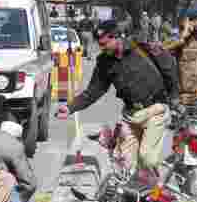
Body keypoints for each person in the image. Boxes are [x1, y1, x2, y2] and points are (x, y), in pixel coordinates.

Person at [58, 19, 179, 174]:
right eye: (99, 44)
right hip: (130, 115)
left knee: (147, 158)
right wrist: (70, 108)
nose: (101, 48)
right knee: (125, 163)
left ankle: (154, 192)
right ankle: (136, 194)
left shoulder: (142, 47)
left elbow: (169, 70)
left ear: (116, 37)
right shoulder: (104, 62)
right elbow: (94, 91)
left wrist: (175, 98)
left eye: (104, 44)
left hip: (156, 110)